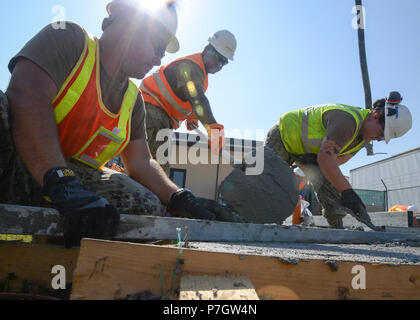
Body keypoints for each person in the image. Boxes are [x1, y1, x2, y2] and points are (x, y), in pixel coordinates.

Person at [0, 0, 235, 248]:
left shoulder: (133, 100)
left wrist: (179, 197)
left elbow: (141, 162)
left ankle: (57, 254)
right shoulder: (68, 39)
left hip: (70, 185)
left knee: (145, 204)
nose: (158, 60)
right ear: (126, 26)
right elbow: (26, 93)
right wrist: (60, 180)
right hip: (17, 164)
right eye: (157, 47)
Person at [265, 92, 412, 228]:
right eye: (381, 133)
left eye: (383, 138)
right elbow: (326, 159)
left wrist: (344, 194)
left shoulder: (362, 139)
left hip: (309, 154)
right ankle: (260, 225)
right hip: (284, 135)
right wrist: (348, 191)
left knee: (332, 190)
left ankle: (336, 227)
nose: (379, 139)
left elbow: (334, 163)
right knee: (269, 184)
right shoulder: (347, 121)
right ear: (375, 115)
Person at [140, 30, 237, 173]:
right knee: (156, 172)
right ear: (206, 49)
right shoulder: (191, 66)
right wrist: (213, 128)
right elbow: (197, 98)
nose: (219, 65)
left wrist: (191, 115)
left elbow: (189, 95)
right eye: (217, 57)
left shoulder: (201, 74)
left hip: (159, 116)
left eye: (224, 62)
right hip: (151, 110)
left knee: (153, 170)